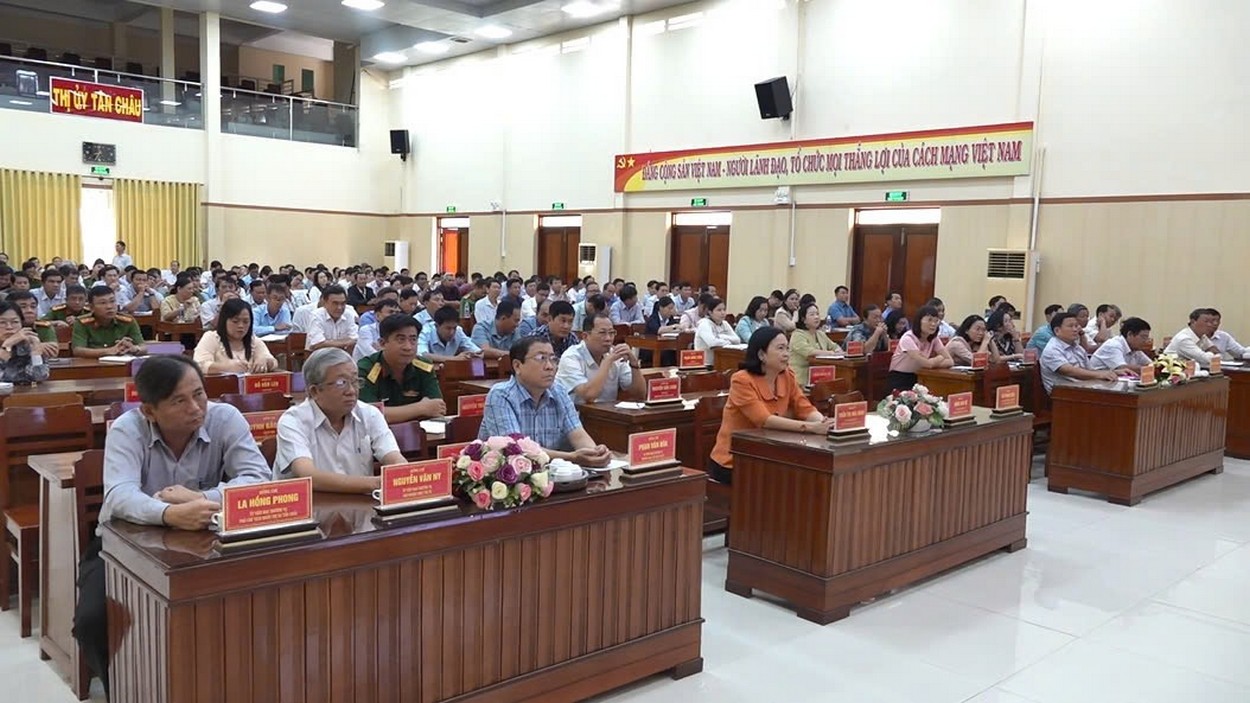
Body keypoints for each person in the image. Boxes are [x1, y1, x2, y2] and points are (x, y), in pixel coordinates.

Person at [73, 355, 271, 697]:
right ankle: (123, 690)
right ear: (149, 411)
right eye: (179, 401)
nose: (195, 408)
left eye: (199, 394)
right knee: (93, 621)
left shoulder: (225, 418)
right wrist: (169, 514)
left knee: (252, 603)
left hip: (205, 541)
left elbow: (258, 479)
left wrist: (198, 497)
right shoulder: (127, 429)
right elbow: (119, 495)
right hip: (123, 547)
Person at [708, 327, 831, 485]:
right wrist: (812, 428)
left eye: (787, 348)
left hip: (771, 454)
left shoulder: (787, 375)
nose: (786, 354)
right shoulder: (741, 380)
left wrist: (822, 423)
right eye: (780, 348)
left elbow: (804, 407)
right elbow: (764, 420)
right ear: (761, 355)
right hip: (735, 460)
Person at [274, 348, 404, 493]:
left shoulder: (369, 414)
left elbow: (395, 459)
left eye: (355, 381)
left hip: (361, 504)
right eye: (341, 382)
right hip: (313, 504)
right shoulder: (293, 421)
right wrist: (378, 483)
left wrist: (401, 474)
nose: (351, 391)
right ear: (315, 391)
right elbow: (309, 476)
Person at [479, 336, 611, 466]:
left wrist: (594, 453)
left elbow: (577, 434)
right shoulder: (501, 395)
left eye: (553, 359)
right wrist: (572, 457)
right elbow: (515, 449)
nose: (550, 366)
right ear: (517, 366)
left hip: (552, 472)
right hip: (509, 474)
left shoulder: (558, 391)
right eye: (541, 358)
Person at [357, 314, 445, 423]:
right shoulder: (366, 369)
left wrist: (393, 413)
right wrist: (421, 408)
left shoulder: (424, 366)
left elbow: (437, 407)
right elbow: (368, 415)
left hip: (417, 430)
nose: (408, 347)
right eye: (400, 340)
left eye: (413, 340)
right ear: (382, 343)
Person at [556, 313, 644, 404]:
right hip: (578, 412)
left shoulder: (614, 354)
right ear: (585, 336)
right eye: (602, 333)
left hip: (607, 412)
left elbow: (639, 395)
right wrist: (607, 362)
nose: (608, 338)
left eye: (611, 333)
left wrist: (634, 363)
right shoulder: (571, 357)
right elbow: (589, 395)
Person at [192, 298, 279, 374]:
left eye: (246, 322)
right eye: (235, 321)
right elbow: (199, 365)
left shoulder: (253, 341)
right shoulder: (211, 338)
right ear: (224, 321)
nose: (241, 326)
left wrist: (265, 361)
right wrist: (226, 367)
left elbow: (274, 362)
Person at [1039, 311, 1120, 392]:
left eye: (1076, 326)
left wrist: (1113, 372)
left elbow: (1089, 370)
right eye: (1070, 326)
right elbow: (1070, 371)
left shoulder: (1077, 347)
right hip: (1064, 394)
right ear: (1057, 331)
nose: (1075, 329)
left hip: (1084, 388)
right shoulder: (1052, 349)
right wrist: (1100, 375)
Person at [886, 305, 954, 393]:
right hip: (900, 379)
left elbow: (950, 361)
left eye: (936, 321)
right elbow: (927, 364)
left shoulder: (934, 338)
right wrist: (940, 357)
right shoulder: (908, 338)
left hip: (920, 377)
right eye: (929, 320)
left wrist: (933, 362)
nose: (933, 324)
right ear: (919, 321)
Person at [71, 285, 147, 358]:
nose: (109, 306)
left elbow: (143, 347)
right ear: (91, 307)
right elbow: (78, 350)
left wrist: (134, 348)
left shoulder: (128, 321)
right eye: (103, 303)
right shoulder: (82, 323)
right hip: (93, 364)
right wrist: (109, 351)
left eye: (112, 301)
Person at [788, 300, 843, 385]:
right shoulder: (797, 335)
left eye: (817, 314)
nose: (816, 317)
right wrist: (831, 353)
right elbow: (809, 352)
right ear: (803, 319)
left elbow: (834, 346)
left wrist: (838, 351)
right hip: (800, 378)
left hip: (821, 375)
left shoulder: (820, 334)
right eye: (812, 314)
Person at [0, 301, 50, 384]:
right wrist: (7, 346)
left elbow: (39, 377)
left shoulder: (27, 344)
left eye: (15, 322)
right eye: (2, 322)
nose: (9, 327)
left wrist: (35, 352)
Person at [306, 285, 358, 352]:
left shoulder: (349, 315)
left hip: (343, 356)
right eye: (335, 303)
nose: (339, 308)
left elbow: (355, 339)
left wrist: (327, 343)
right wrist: (345, 342)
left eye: (343, 303)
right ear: (325, 303)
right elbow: (317, 344)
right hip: (320, 356)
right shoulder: (316, 315)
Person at [694, 296, 742, 366]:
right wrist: (729, 342)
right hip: (705, 364)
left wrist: (721, 336)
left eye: (724, 310)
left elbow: (737, 340)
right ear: (710, 312)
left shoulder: (725, 323)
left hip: (721, 361)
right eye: (719, 310)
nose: (723, 313)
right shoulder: (704, 324)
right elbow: (713, 343)